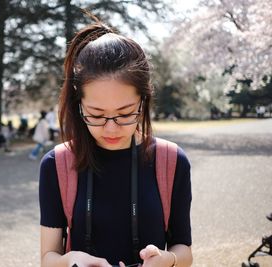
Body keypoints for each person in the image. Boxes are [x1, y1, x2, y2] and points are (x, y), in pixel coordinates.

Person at [39, 21, 192, 267]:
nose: (111, 128)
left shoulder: (171, 160)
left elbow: (184, 249)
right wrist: (71, 260)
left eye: (125, 113)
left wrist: (167, 259)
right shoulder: (57, 164)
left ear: (143, 101)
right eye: (97, 115)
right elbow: (48, 258)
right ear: (79, 106)